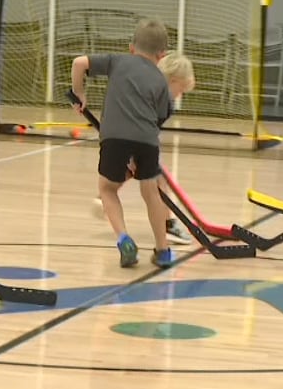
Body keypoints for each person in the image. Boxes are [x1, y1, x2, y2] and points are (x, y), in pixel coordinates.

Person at [72, 19, 175, 269]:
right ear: (162, 55)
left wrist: (79, 93)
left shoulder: (117, 61)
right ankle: (162, 250)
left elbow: (79, 63)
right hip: (147, 140)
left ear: (131, 47)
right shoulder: (161, 80)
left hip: (114, 137)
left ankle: (124, 239)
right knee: (151, 192)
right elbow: (162, 115)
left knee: (107, 189)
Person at [88, 56, 195, 247]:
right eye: (181, 90)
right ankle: (166, 227)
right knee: (156, 180)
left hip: (124, 137)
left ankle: (105, 197)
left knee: (148, 176)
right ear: (172, 81)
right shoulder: (164, 101)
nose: (180, 95)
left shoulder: (146, 88)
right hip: (131, 140)